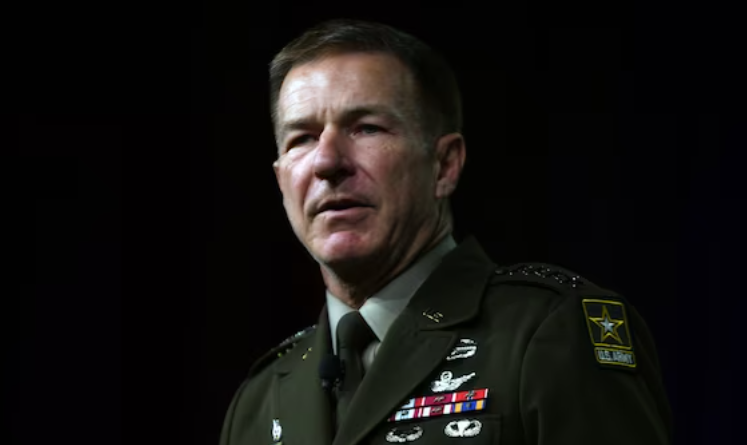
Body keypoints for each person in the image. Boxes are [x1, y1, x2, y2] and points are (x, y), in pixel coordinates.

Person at [219, 19, 672, 445]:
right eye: (302, 138)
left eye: (366, 128)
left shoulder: (549, 333)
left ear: (444, 165)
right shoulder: (260, 398)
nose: (326, 161)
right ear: (281, 180)